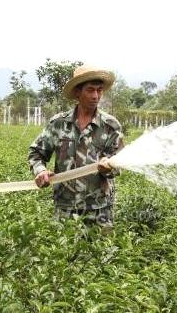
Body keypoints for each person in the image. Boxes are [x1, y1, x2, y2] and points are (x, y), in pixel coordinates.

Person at [28, 65, 125, 230]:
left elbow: (119, 163)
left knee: (101, 253)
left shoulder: (110, 125)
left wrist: (107, 168)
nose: (96, 96)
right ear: (77, 92)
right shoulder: (58, 124)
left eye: (99, 90)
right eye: (90, 90)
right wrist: (41, 171)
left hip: (99, 209)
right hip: (65, 208)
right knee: (63, 254)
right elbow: (36, 153)